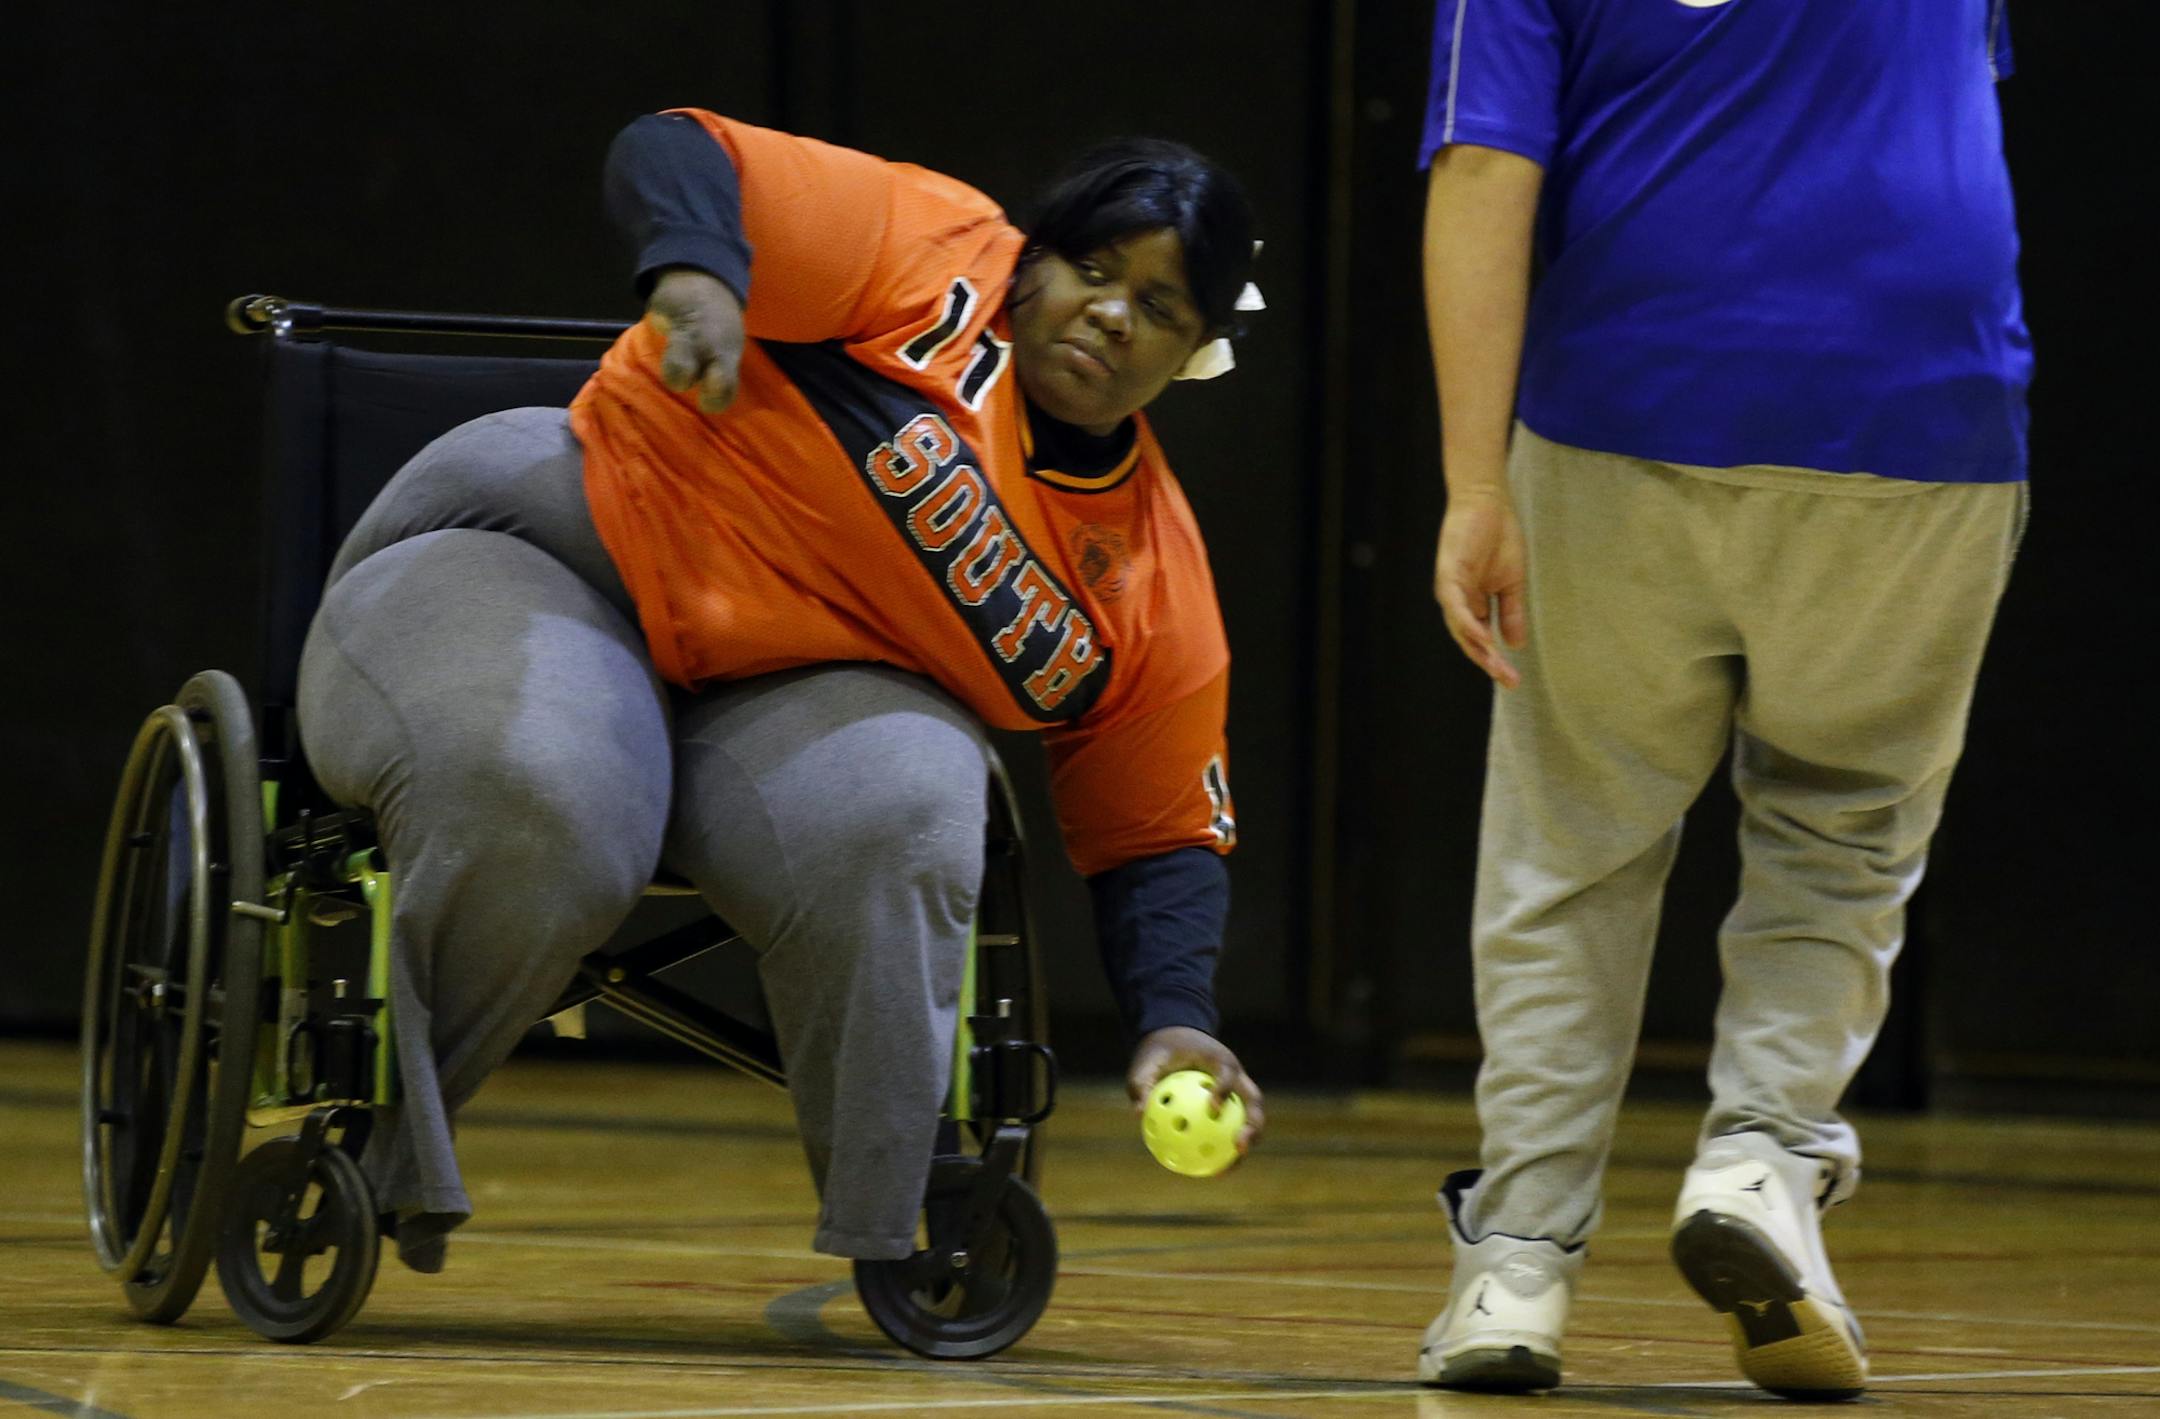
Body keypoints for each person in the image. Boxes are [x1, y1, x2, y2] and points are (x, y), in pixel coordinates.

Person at [296, 107, 1267, 1278]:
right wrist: (700, 278)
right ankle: (372, 1152)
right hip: (559, 543)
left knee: (913, 802)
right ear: (1034, 258)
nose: (1110, 312)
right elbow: (679, 149)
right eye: (1089, 268)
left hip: (774, 691)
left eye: (1159, 306)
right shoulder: (930, 253)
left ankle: (900, 1221)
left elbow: (1157, 831)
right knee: (545, 786)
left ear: (1198, 349)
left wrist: (1178, 1019)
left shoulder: (1150, 572)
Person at [1415, 2, 2028, 1400]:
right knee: (1843, 823)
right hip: (1926, 408)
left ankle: (1515, 1261)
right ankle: (1761, 1160)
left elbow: (1484, 168)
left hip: (1633, 401)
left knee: (1571, 845)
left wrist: (1472, 487)